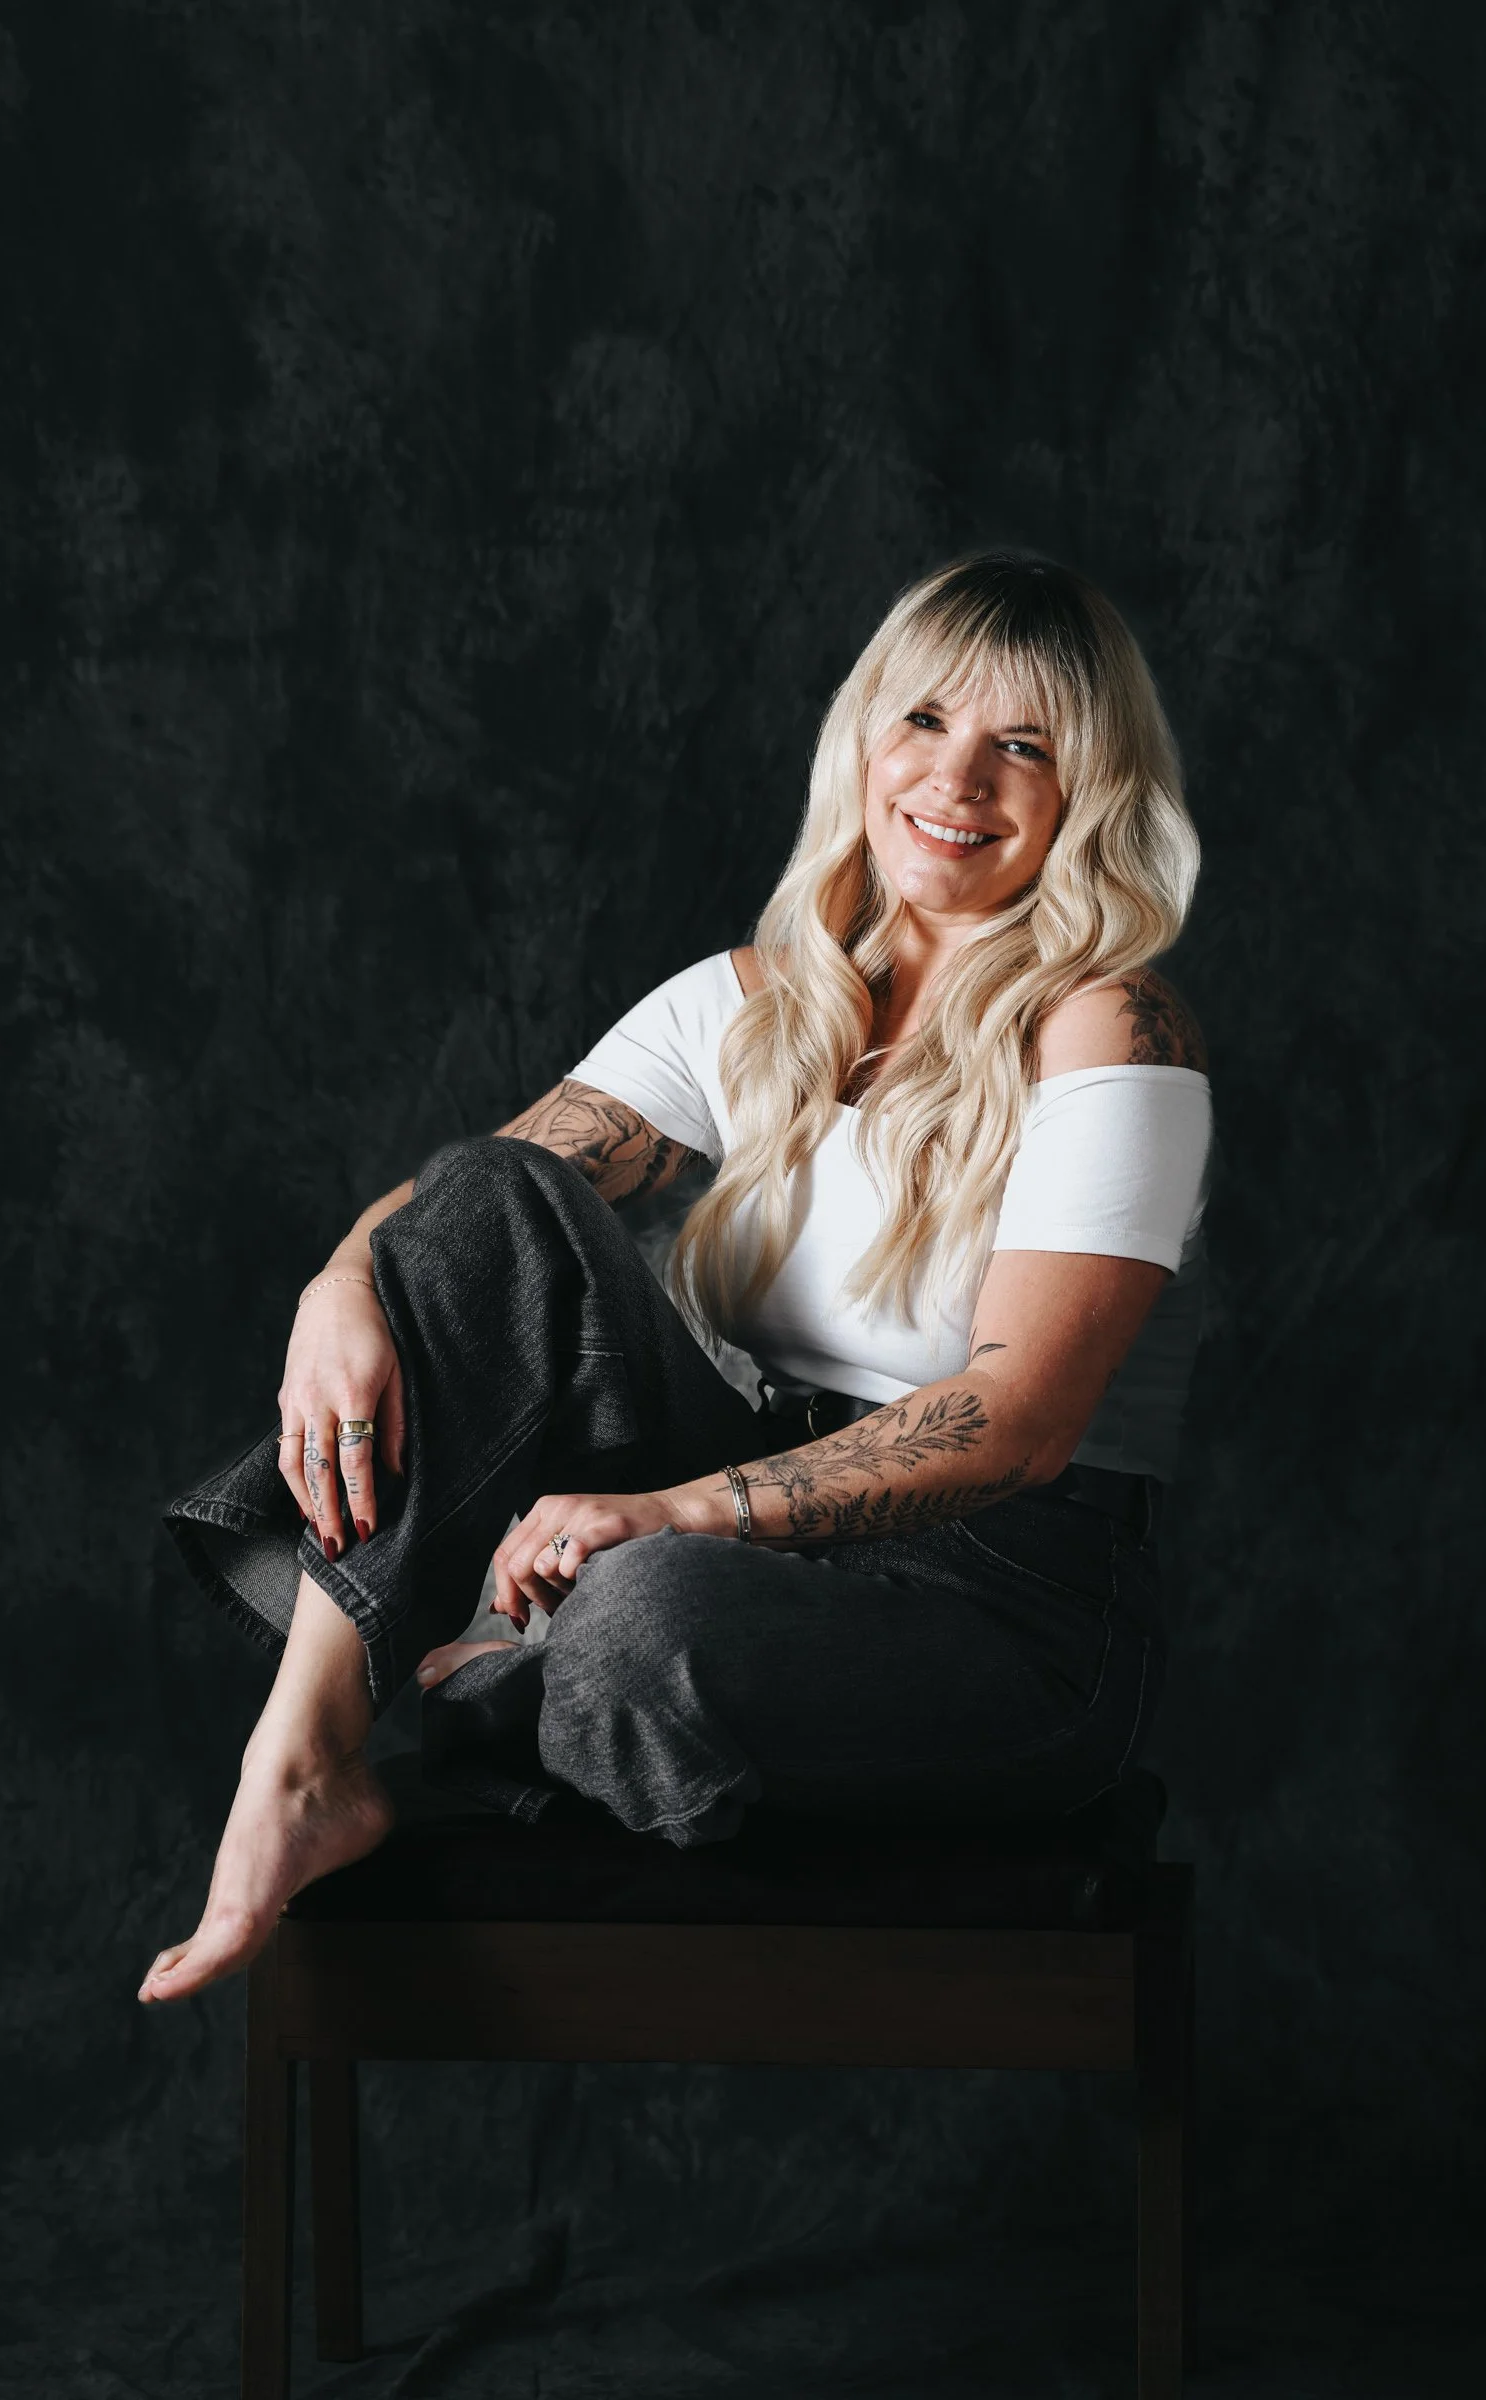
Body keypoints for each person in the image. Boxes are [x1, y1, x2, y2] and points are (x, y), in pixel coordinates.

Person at [140, 551, 1213, 2007]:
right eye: (926, 722)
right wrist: (339, 1283)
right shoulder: (756, 999)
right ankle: (308, 1754)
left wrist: (670, 1514)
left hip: (1003, 1604)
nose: (959, 776)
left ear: (1086, 791)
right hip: (750, 1511)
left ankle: (514, 1677)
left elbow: (1019, 1415)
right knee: (487, 1203)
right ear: (864, 739)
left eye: (1023, 746)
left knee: (645, 1626)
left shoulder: (1112, 1027)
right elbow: (477, 1210)